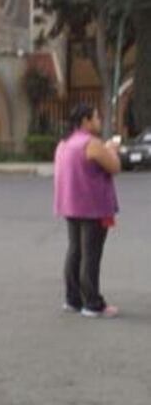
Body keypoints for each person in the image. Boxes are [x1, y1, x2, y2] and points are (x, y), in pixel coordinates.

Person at [53, 103, 121, 318]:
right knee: (90, 256)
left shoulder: (64, 144)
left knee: (75, 252)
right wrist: (112, 149)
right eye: (96, 117)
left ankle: (73, 299)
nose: (99, 121)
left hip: (71, 206)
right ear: (85, 121)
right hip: (93, 207)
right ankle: (93, 303)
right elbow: (115, 167)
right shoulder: (91, 144)